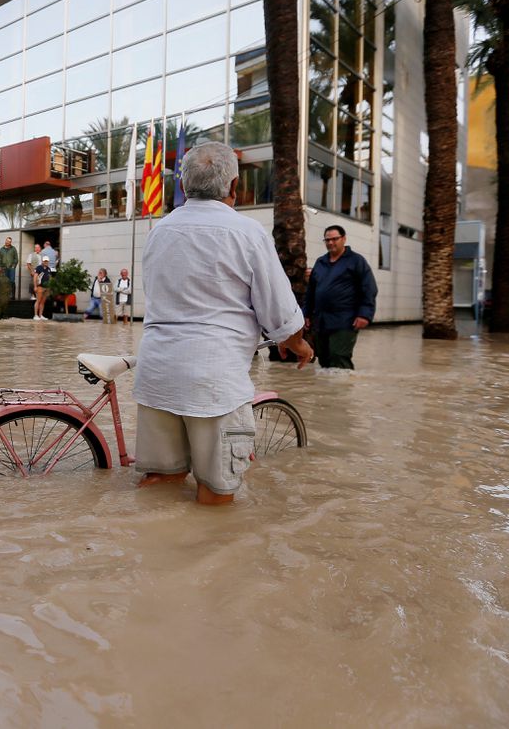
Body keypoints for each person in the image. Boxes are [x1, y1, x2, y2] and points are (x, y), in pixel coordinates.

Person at [133, 142, 312, 506]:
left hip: (156, 374)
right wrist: (298, 344)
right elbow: (280, 311)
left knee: (162, 482)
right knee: (215, 494)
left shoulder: (159, 231)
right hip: (213, 382)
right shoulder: (247, 232)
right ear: (234, 186)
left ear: (183, 186)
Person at [304, 224, 378, 369]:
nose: (330, 242)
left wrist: (364, 315)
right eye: (327, 240)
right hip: (321, 321)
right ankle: (326, 391)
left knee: (339, 356)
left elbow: (369, 288)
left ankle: (342, 390)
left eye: (334, 239)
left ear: (344, 239)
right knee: (323, 359)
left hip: (345, 320)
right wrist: (306, 313)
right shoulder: (320, 262)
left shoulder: (356, 261)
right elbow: (311, 291)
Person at [33, 255, 53, 320]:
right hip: (40, 287)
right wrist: (35, 286)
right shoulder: (39, 268)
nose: (46, 262)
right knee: (38, 301)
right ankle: (35, 315)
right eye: (45, 261)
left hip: (46, 288)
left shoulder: (49, 269)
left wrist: (50, 287)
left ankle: (40, 315)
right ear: (42, 261)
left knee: (43, 302)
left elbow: (50, 278)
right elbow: (35, 277)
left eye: (47, 261)